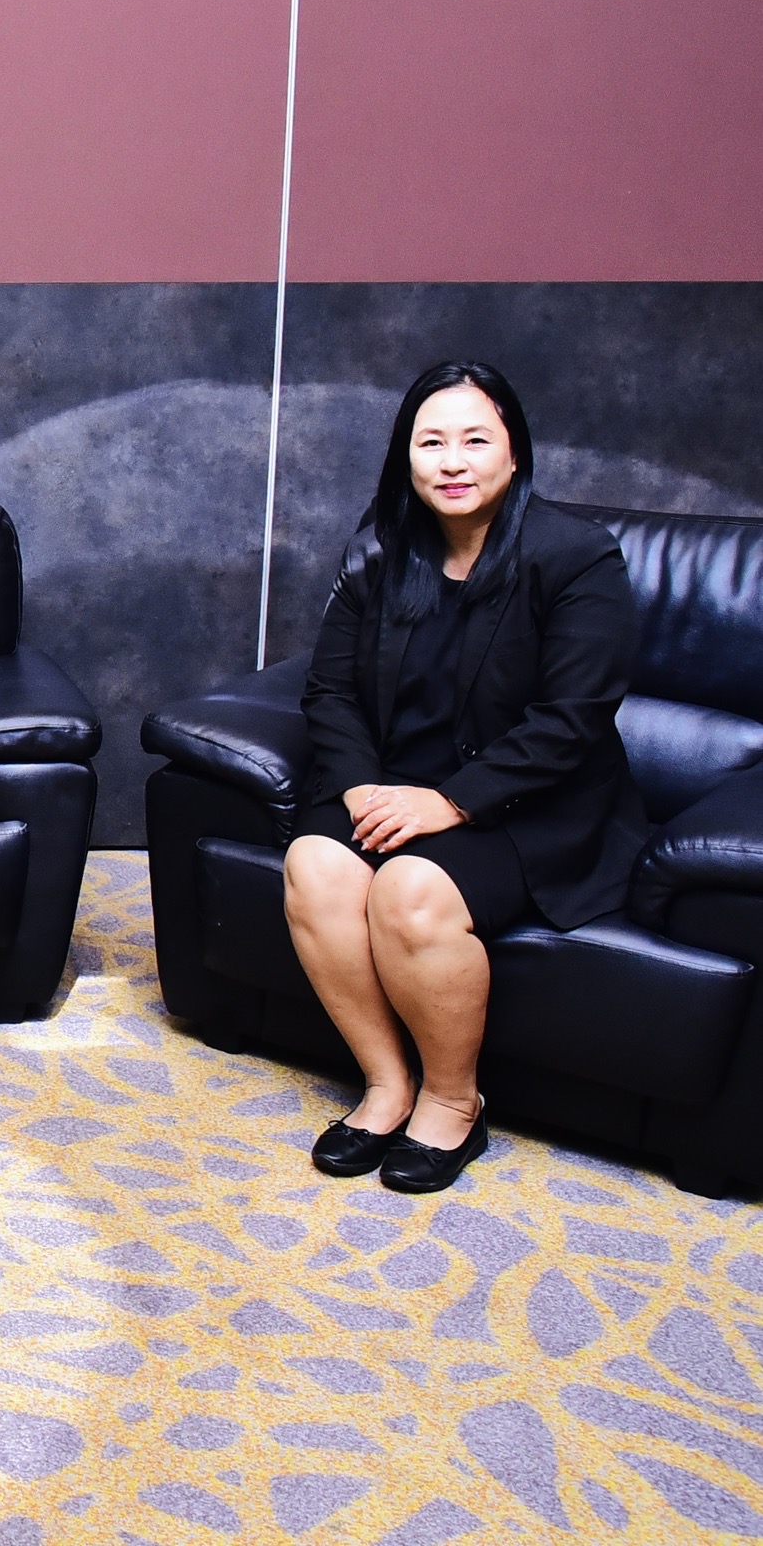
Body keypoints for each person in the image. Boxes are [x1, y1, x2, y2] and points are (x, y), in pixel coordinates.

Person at [285, 361, 645, 1194]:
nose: (453, 461)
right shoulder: (382, 546)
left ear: (514, 454)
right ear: (405, 457)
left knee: (410, 890)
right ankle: (387, 1085)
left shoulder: (576, 557)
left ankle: (453, 1102)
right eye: (431, 442)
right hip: (396, 783)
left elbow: (573, 718)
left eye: (476, 440)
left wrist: (451, 801)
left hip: (532, 802)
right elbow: (329, 690)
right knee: (316, 865)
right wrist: (359, 789)